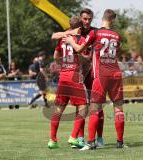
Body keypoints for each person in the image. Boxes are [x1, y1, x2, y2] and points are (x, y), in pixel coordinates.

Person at [64, 9, 127, 150]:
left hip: (101, 74)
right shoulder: (117, 35)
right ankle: (120, 142)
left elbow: (79, 49)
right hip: (116, 73)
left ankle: (91, 142)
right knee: (119, 108)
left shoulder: (96, 33)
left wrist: (69, 41)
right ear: (113, 20)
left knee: (94, 108)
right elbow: (118, 49)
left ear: (102, 18)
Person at [52, 8, 105, 148]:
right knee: (81, 106)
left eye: (89, 19)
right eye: (84, 19)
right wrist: (70, 34)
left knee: (96, 106)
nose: (87, 21)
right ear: (80, 19)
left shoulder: (95, 32)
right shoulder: (76, 33)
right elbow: (54, 36)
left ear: (92, 19)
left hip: (91, 73)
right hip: (77, 74)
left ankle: (98, 138)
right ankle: (79, 138)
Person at [48, 17, 88, 149]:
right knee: (83, 108)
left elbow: (55, 57)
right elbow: (85, 55)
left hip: (63, 76)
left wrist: (65, 63)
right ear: (80, 27)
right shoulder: (80, 39)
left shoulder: (63, 38)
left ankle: (52, 140)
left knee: (59, 109)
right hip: (74, 76)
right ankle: (73, 137)